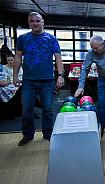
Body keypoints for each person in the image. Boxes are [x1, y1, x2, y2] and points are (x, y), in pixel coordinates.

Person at [13, 12, 64, 146]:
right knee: (26, 110)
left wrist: (60, 75)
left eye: (37, 21)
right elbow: (18, 57)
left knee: (48, 109)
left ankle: (47, 134)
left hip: (47, 80)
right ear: (29, 23)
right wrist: (15, 75)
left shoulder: (51, 38)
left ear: (42, 22)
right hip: (29, 80)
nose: (35, 23)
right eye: (32, 21)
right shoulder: (22, 38)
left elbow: (58, 57)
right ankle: (28, 135)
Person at [74, 35, 105, 138]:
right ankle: (102, 126)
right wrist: (81, 86)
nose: (94, 50)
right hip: (103, 79)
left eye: (96, 47)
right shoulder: (91, 52)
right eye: (92, 47)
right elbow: (85, 69)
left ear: (103, 44)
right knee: (101, 103)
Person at [0, 53, 23, 119]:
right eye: (8, 60)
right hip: (7, 84)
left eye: (11, 60)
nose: (10, 62)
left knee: (18, 90)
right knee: (4, 90)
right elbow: (3, 77)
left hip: (16, 83)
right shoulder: (3, 68)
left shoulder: (19, 68)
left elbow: (21, 77)